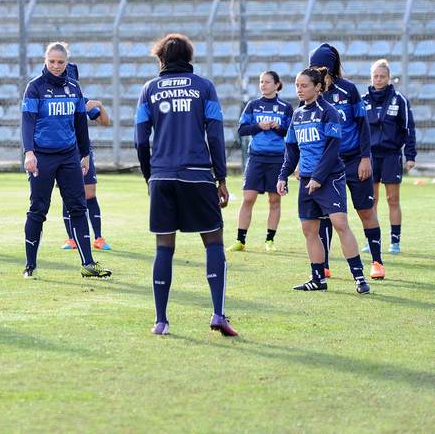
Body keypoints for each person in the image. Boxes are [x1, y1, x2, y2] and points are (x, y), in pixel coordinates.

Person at [134, 33, 237, 337]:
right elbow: (215, 135)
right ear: (189, 58)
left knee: (164, 247)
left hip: (162, 176)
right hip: (197, 175)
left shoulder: (149, 89)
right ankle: (218, 313)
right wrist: (221, 177)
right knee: (214, 242)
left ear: (161, 58)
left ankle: (161, 321)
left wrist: (148, 176)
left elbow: (140, 139)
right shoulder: (205, 88)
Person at [21, 42, 112, 280]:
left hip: (69, 156)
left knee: (78, 207)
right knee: (38, 209)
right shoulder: (35, 88)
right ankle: (30, 265)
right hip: (42, 157)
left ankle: (88, 264)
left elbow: (81, 124)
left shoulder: (74, 87)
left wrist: (84, 154)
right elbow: (27, 122)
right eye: (52, 61)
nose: (56, 66)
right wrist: (29, 153)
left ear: (66, 62)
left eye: (60, 62)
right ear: (45, 60)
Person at [277, 67, 371, 295]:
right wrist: (283, 175)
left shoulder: (329, 112)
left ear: (318, 88)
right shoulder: (297, 115)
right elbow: (291, 149)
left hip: (330, 178)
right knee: (309, 229)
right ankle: (317, 278)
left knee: (340, 224)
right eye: (297, 85)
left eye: (304, 85)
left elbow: (332, 149)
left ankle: (359, 278)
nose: (299, 89)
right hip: (307, 180)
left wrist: (319, 178)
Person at [309, 43, 384, 280]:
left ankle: (377, 261)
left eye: (320, 65)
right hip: (327, 165)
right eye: (313, 65)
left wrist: (365, 158)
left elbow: (363, 126)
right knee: (327, 215)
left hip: (353, 160)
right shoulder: (312, 92)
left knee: (365, 211)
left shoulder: (349, 89)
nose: (316, 69)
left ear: (330, 67)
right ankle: (325, 265)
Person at [231, 71, 292, 252]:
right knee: (248, 198)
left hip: (277, 159)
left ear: (276, 85)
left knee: (274, 201)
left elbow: (290, 133)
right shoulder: (253, 105)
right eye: (261, 82)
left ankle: (269, 240)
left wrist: (278, 127)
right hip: (256, 158)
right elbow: (241, 130)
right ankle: (240, 240)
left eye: (267, 82)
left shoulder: (286, 107)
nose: (263, 85)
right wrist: (259, 126)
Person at [363, 59, 416, 254]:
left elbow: (409, 128)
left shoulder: (399, 99)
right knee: (371, 200)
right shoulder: (363, 100)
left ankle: (395, 242)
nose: (378, 79)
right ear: (371, 77)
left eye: (382, 76)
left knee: (392, 199)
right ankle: (371, 241)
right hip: (368, 157)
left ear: (388, 78)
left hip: (392, 155)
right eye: (375, 76)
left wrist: (410, 155)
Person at [61, 61, 113, 251]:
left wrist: (99, 104)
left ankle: (98, 237)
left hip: (82, 151)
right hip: (62, 151)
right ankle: (71, 239)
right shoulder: (52, 98)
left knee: (89, 194)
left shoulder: (82, 99)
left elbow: (105, 122)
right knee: (68, 194)